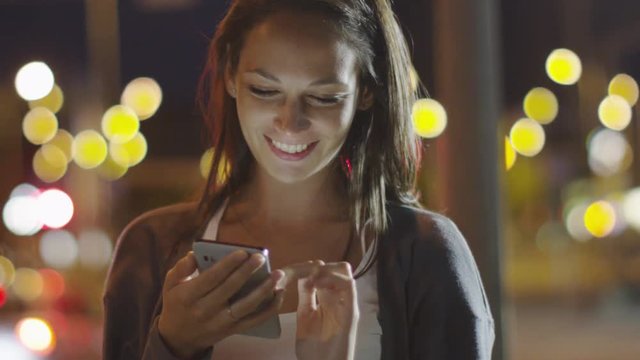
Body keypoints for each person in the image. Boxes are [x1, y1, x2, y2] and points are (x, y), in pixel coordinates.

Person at [102, 0, 495, 359]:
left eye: (324, 97)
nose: (290, 123)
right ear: (230, 77)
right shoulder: (152, 250)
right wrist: (171, 344)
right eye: (265, 90)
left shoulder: (424, 254)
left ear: (366, 93)